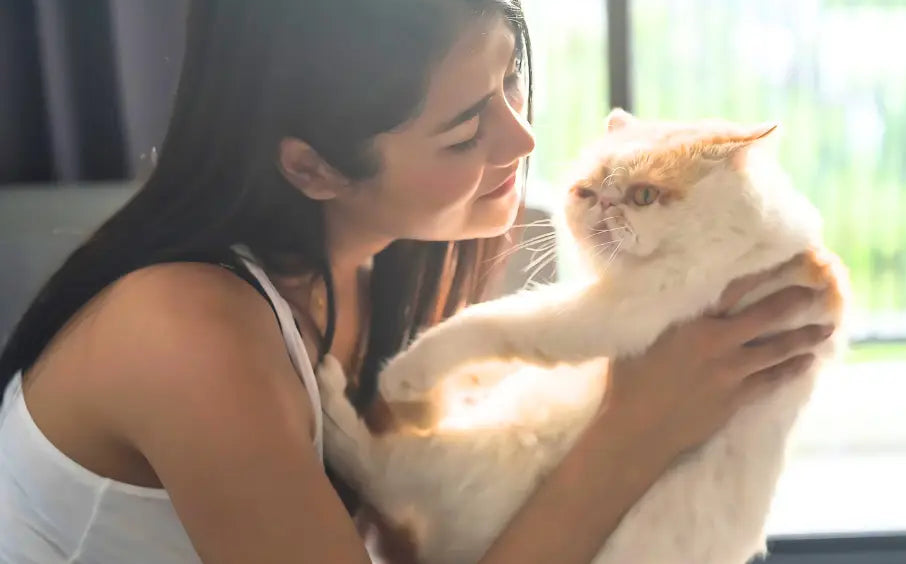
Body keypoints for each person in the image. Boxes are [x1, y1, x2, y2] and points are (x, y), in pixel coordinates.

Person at [0, 1, 833, 563]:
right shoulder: (190, 334)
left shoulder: (391, 260)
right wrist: (637, 427)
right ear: (313, 167)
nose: (523, 138)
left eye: (510, 80)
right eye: (467, 128)